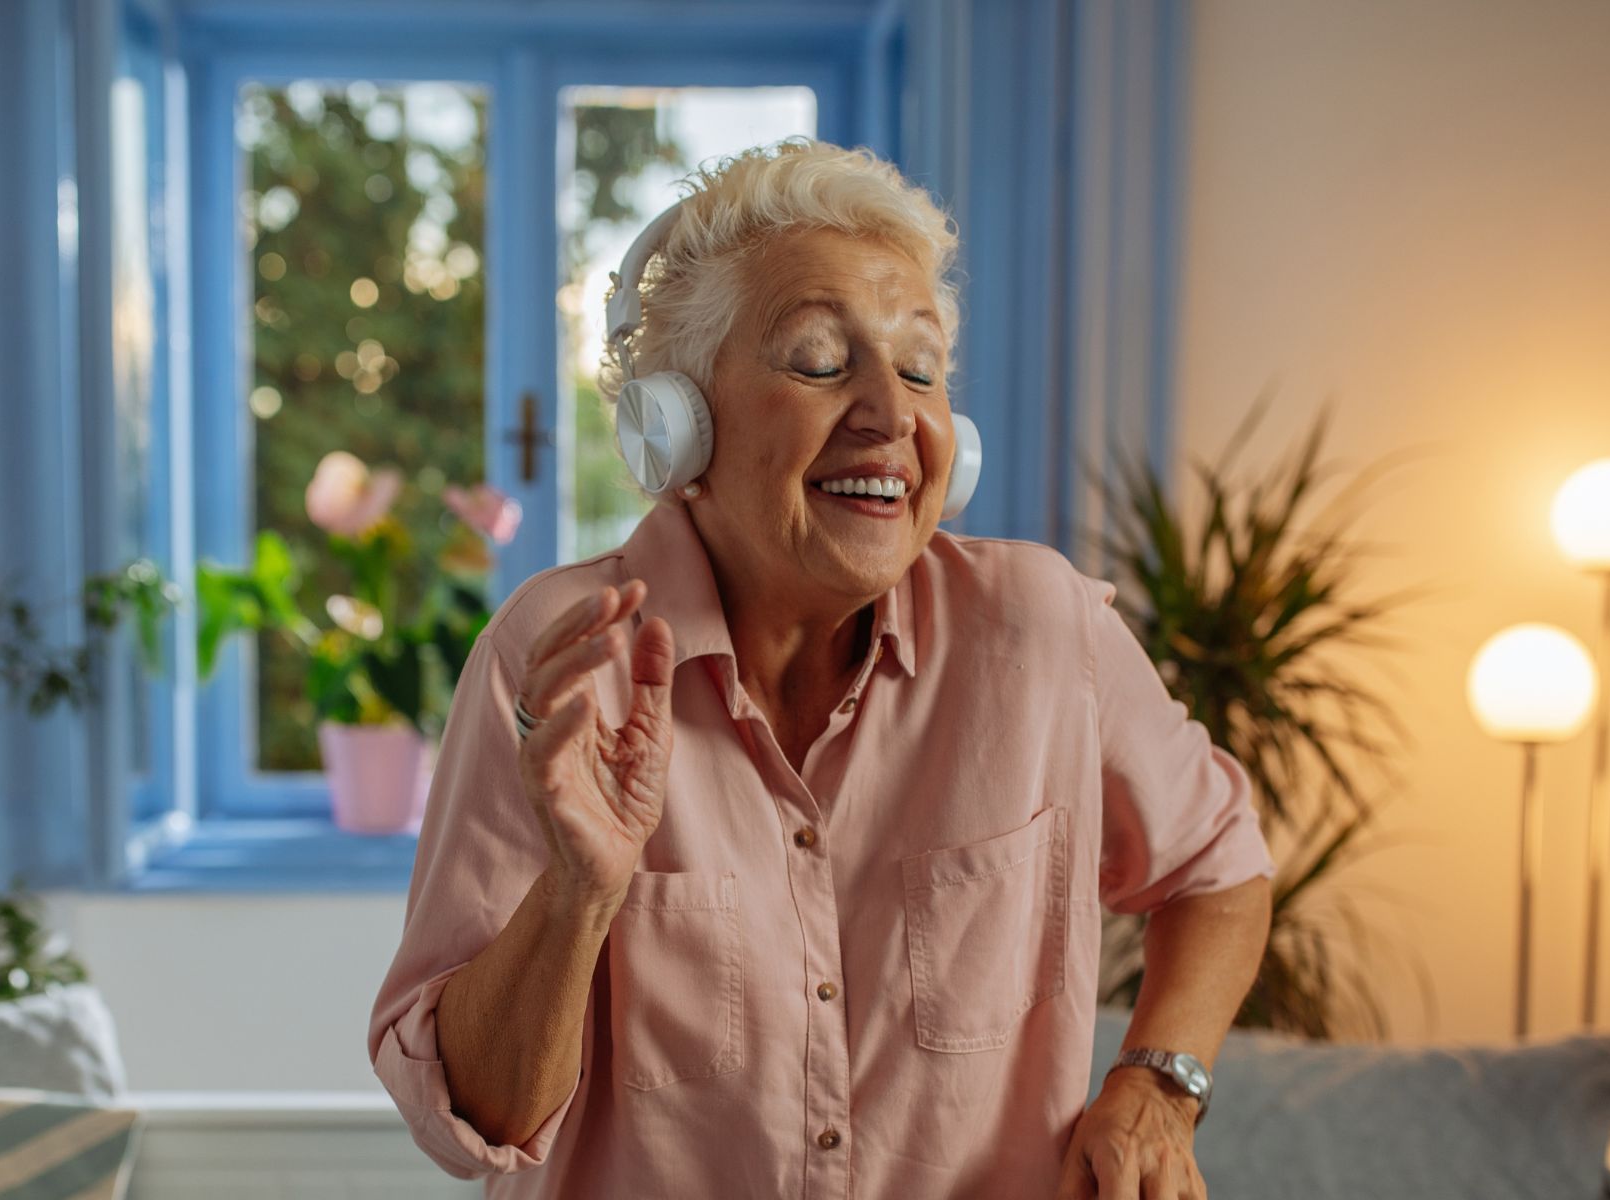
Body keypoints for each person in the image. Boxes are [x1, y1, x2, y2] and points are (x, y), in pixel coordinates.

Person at [368, 138, 1275, 1199]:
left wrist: (1158, 1085)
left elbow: (1221, 868)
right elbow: (476, 1122)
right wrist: (579, 894)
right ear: (679, 425)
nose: (892, 415)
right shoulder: (562, 658)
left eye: (921, 370)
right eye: (817, 359)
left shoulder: (1039, 633)